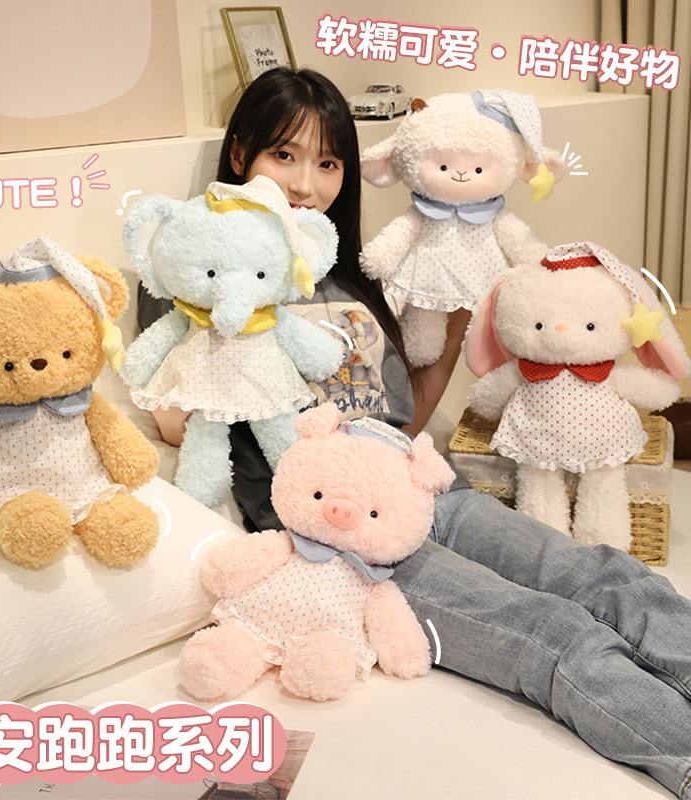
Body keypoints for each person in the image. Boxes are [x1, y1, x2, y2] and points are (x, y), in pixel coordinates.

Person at [135, 66, 691, 799]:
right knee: (552, 632)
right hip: (343, 540)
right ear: (240, 153)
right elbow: (173, 422)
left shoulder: (348, 275)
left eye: (328, 163)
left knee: (605, 576)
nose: (305, 183)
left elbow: (400, 415)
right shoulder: (192, 272)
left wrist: (456, 325)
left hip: (422, 489)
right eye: (284, 154)